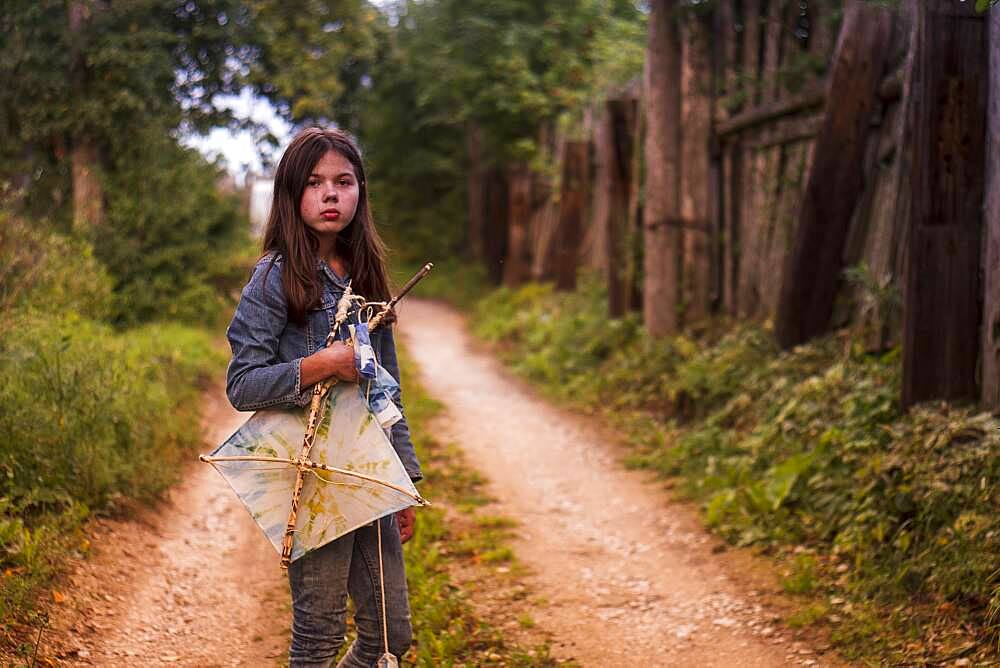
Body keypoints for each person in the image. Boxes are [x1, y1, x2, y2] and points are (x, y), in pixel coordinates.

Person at [225, 127, 421, 667]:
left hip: (365, 471)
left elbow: (388, 388)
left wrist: (402, 480)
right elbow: (242, 384)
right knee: (319, 633)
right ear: (291, 195)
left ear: (361, 192)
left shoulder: (366, 277)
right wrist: (322, 364)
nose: (330, 194)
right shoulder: (275, 278)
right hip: (310, 477)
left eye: (343, 181)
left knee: (389, 637)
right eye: (314, 183)